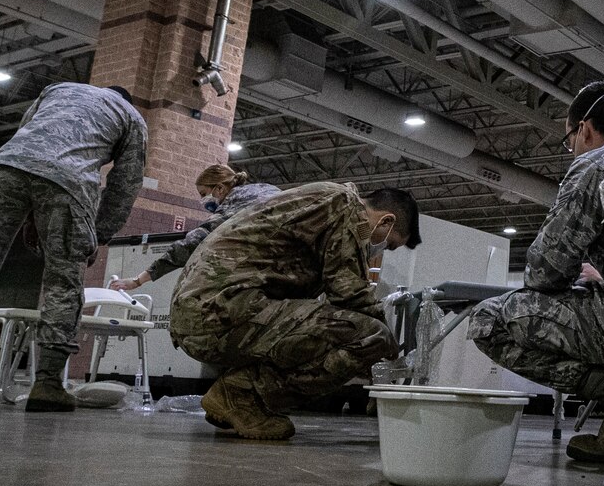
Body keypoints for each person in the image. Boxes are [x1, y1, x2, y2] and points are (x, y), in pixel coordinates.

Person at [0, 82, 147, 411]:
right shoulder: (131, 116)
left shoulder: (57, 90)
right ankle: (47, 385)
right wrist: (99, 233)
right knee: (63, 280)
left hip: (6, 168)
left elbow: (29, 139)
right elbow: (125, 184)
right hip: (69, 180)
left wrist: (32, 217)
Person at [470, 81, 604, 464]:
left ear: (584, 129)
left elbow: (543, 271)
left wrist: (574, 276)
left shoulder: (597, 164)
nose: (572, 150)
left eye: (569, 141)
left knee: (488, 319)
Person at [168, 182, 418, 441]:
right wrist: (389, 350)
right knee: (371, 336)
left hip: (208, 310)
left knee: (329, 326)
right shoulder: (345, 205)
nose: (381, 249)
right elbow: (349, 292)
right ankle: (241, 396)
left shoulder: (327, 200)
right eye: (389, 245)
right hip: (219, 310)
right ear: (386, 221)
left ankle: (236, 397)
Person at [109, 163, 281, 292]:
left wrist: (138, 280)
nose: (203, 201)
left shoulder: (234, 204)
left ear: (220, 188)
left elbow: (192, 243)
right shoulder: (267, 189)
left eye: (203, 194)